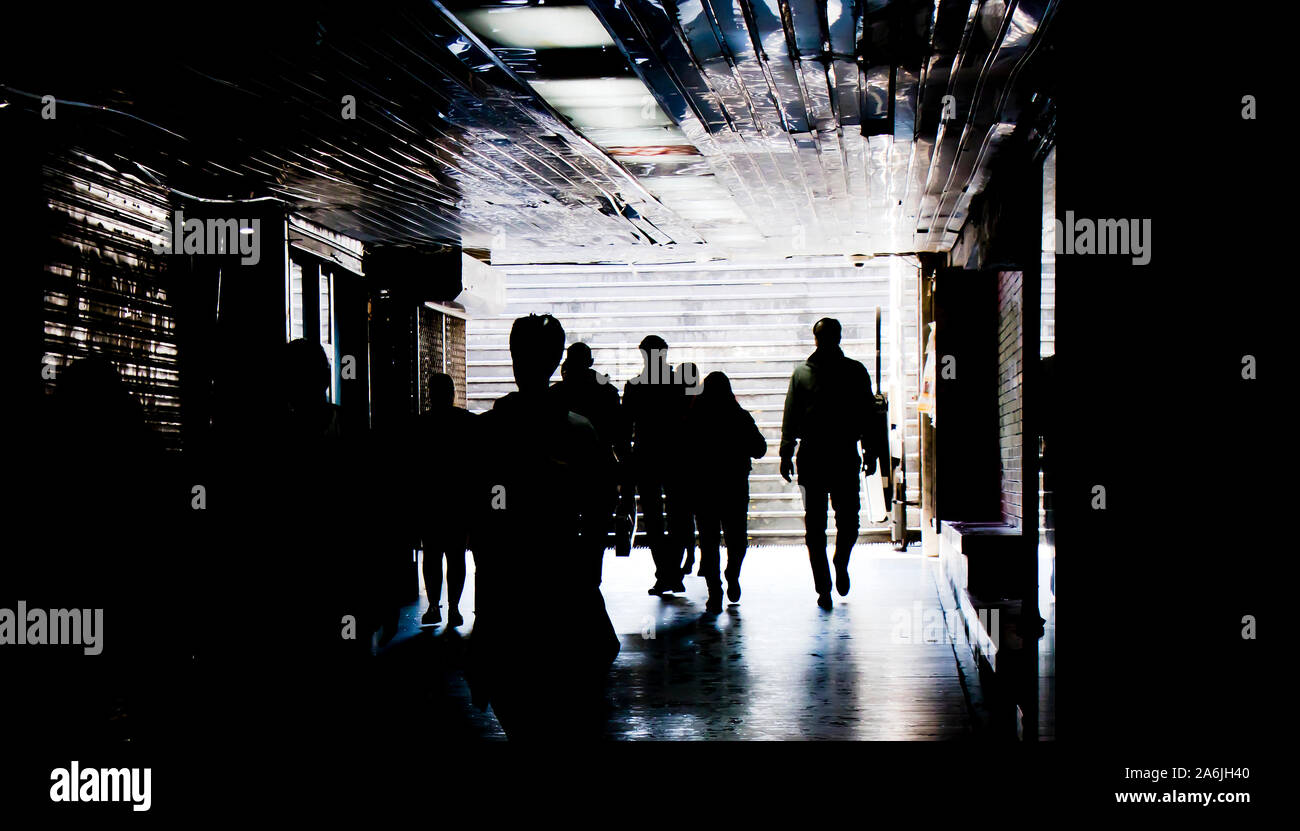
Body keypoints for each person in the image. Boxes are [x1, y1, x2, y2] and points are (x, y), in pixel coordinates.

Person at [466, 314, 619, 740]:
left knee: (516, 700)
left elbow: (480, 510)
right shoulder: (579, 432)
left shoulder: (490, 430)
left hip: (506, 580)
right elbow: (598, 506)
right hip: (561, 574)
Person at [779, 318, 876, 610]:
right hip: (836, 457)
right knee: (843, 521)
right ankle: (828, 579)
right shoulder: (853, 372)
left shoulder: (804, 375)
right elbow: (867, 415)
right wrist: (870, 451)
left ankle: (832, 572)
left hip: (816, 457)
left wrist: (786, 451)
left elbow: (791, 416)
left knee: (819, 525)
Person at [686, 372, 765, 614]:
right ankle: (732, 573)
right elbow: (760, 448)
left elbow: (683, 454)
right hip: (734, 486)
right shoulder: (739, 416)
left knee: (708, 542)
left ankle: (714, 591)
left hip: (704, 488)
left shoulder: (694, 418)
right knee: (737, 538)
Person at [551, 342, 627, 586]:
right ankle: (592, 582)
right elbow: (620, 436)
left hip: (563, 473)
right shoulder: (608, 393)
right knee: (596, 534)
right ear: (591, 362)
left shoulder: (556, 395)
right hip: (600, 471)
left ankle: (569, 581)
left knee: (564, 530)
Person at [622, 336, 689, 595]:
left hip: (646, 457)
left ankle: (665, 572)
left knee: (653, 518)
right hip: (675, 457)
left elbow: (626, 427)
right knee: (678, 516)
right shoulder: (679, 385)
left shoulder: (635, 387)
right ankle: (673, 569)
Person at [414, 372, 476, 627]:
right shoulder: (467, 423)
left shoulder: (420, 425)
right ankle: (454, 608)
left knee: (431, 555)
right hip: (457, 501)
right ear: (453, 394)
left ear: (430, 395)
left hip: (430, 501)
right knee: (456, 556)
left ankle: (432, 607)